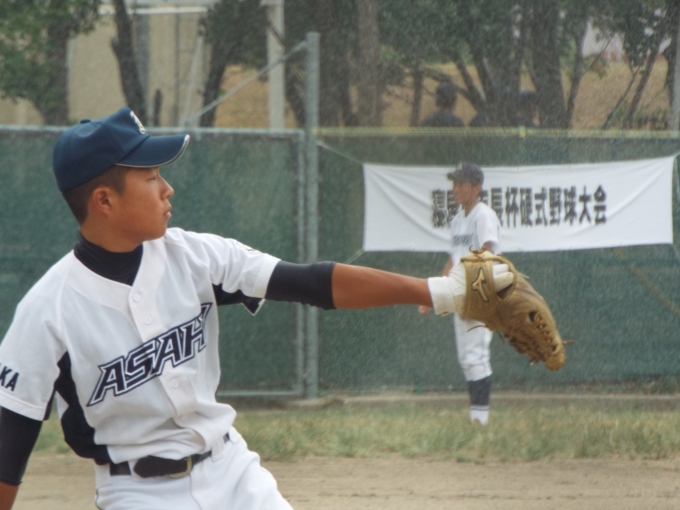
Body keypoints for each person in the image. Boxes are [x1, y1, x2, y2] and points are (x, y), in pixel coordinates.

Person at [0, 107, 472, 510]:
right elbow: (9, 448)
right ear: (104, 200)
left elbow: (310, 282)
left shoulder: (195, 257)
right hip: (136, 493)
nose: (167, 189)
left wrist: (439, 291)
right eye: (150, 177)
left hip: (233, 473)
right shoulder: (47, 312)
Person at [419, 162, 501, 426]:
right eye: (454, 183)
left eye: (461, 183)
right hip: (460, 291)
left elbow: (487, 252)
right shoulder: (457, 220)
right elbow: (453, 260)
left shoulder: (483, 215)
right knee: (467, 358)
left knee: (476, 356)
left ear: (476, 188)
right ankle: (477, 418)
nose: (455, 188)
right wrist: (433, 294)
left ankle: (480, 420)